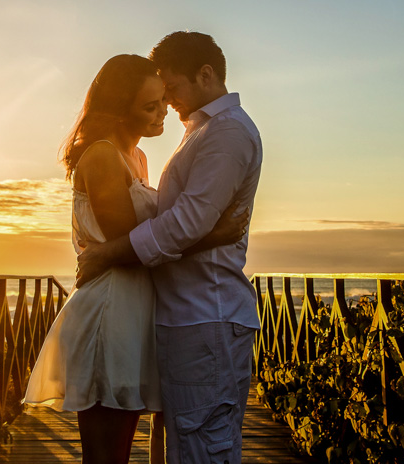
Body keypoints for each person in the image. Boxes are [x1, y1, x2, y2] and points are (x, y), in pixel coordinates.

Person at [23, 53, 247, 464]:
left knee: (120, 448)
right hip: (110, 313)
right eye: (150, 106)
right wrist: (217, 233)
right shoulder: (103, 155)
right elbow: (132, 247)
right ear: (120, 111)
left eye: (163, 99)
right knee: (106, 454)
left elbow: (146, 240)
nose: (164, 111)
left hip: (133, 312)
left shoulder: (138, 158)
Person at [77, 32, 262, 464]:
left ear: (206, 74)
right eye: (156, 98)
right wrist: (212, 234)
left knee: (200, 448)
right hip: (182, 317)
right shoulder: (202, 131)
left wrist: (107, 253)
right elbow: (186, 221)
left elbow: (185, 223)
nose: (169, 102)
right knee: (181, 445)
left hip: (206, 314)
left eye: (172, 89)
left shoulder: (226, 133)